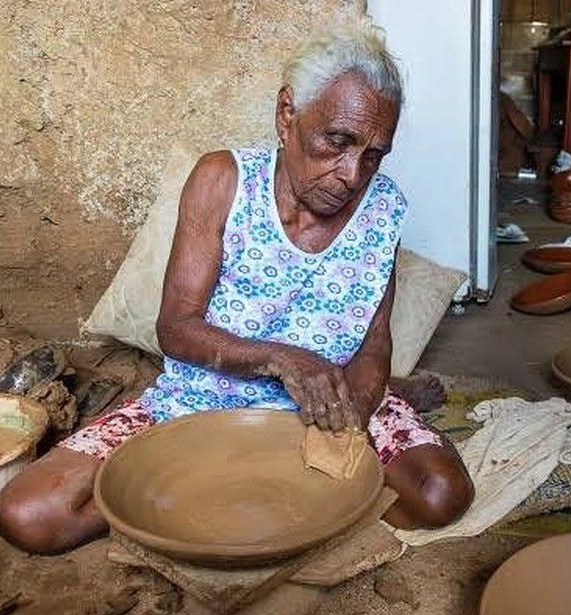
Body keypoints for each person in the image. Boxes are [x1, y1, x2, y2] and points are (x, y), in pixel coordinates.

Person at [0, 20, 474, 555]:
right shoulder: (222, 181)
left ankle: (392, 399)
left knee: (440, 495)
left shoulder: (383, 208)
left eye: (373, 155)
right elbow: (176, 329)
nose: (351, 173)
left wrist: (350, 424)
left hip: (330, 404)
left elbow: (374, 343)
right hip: (203, 402)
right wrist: (283, 360)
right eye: (336, 142)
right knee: (31, 515)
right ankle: (199, 481)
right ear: (287, 113)